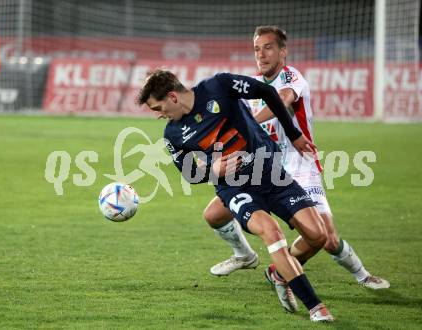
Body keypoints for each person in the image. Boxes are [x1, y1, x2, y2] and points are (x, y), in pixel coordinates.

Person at [204, 25, 390, 309]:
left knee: (326, 237)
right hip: (263, 167)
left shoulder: (292, 77)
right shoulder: (249, 86)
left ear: (282, 51)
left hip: (300, 166)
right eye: (257, 49)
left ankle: (353, 275)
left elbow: (283, 98)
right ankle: (244, 255)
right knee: (214, 214)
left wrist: (251, 121)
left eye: (268, 47)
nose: (262, 54)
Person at [137, 69, 334, 322]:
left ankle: (279, 274)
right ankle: (316, 307)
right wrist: (212, 170)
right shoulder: (173, 134)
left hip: (271, 173)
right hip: (235, 187)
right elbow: (189, 174)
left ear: (173, 97)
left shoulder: (219, 85)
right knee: (271, 232)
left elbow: (267, 92)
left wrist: (294, 135)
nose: (159, 115)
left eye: (158, 108)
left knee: (318, 236)